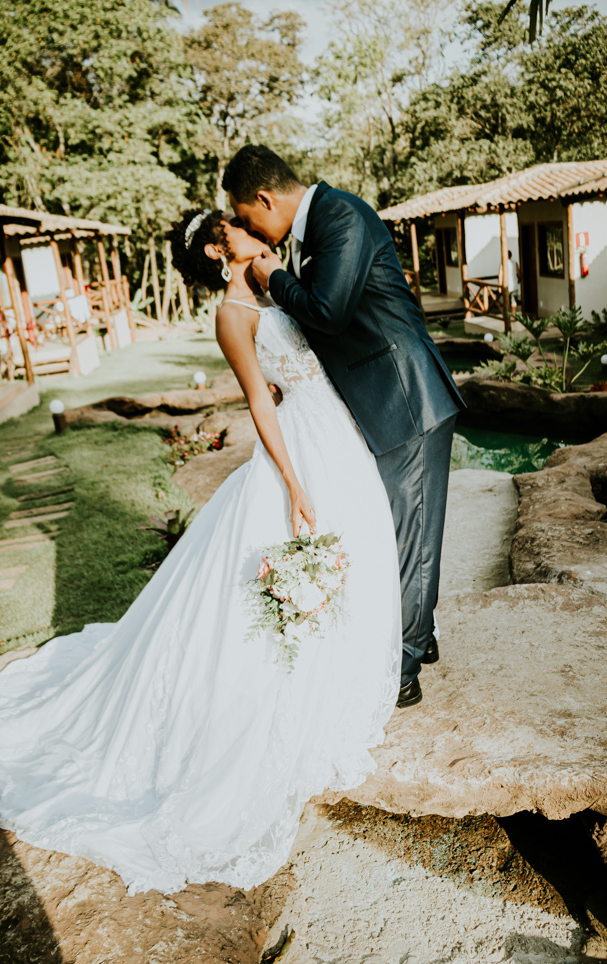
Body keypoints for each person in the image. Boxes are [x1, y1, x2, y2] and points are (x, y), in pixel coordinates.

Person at [0, 210, 401, 894]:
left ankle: (345, 681)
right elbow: (260, 403)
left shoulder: (278, 285)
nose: (250, 228)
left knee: (358, 549)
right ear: (216, 249)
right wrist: (293, 483)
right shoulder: (230, 314)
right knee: (290, 582)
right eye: (233, 227)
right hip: (299, 449)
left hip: (335, 431)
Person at [223, 145, 465, 708]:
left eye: (246, 215)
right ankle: (420, 635)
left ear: (265, 198)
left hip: (406, 397)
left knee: (411, 536)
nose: (248, 228)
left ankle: (403, 668)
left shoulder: (339, 215)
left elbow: (328, 311)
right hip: (382, 401)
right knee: (403, 528)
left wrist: (274, 276)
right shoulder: (314, 228)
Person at [499, 249, 521, 313]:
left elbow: (500, 276)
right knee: (514, 301)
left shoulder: (503, 264)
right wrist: (519, 280)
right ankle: (513, 315)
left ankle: (507, 315)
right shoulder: (515, 263)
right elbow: (519, 274)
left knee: (506, 301)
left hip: (506, 286)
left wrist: (499, 286)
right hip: (514, 285)